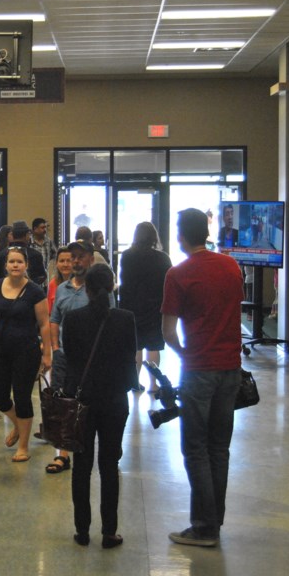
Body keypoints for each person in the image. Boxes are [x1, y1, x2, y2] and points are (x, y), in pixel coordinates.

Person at [162, 208, 244, 547]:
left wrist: (185, 354)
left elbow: (167, 332)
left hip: (199, 369)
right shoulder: (231, 266)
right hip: (231, 368)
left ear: (181, 236)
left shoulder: (178, 274)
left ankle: (204, 527)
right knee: (219, 448)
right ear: (206, 232)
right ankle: (214, 522)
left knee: (195, 448)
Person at [62, 263, 137, 549]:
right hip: (114, 399)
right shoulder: (125, 318)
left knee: (81, 466)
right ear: (112, 287)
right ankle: (109, 531)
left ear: (88, 289)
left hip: (82, 401)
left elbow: (70, 359)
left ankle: (82, 530)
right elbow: (130, 359)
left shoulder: (73, 319)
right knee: (109, 465)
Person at [46, 239, 114, 474]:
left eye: (80, 257)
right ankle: (62, 454)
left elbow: (110, 320)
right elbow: (54, 319)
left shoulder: (100, 290)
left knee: (92, 409)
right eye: (72, 257)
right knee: (63, 405)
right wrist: (55, 347)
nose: (75, 261)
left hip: (92, 360)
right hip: (65, 357)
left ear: (90, 260)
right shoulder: (62, 288)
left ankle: (107, 451)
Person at [0, 247, 52, 463]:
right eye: (11, 262)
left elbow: (44, 324)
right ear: (5, 265)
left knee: (22, 397)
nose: (15, 265)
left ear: (26, 265)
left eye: (19, 262)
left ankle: (23, 445)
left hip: (26, 351)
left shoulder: (34, 291)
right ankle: (18, 425)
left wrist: (47, 354)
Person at [119, 221, 172, 394]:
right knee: (154, 346)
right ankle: (153, 384)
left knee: (136, 346)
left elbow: (124, 283)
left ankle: (135, 382)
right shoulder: (162, 258)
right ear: (153, 237)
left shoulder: (127, 256)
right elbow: (168, 283)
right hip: (155, 307)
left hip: (132, 306)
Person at [0, 220, 47, 285]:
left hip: (6, 291)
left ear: (13, 235)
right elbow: (42, 276)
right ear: (26, 235)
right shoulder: (36, 255)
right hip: (29, 292)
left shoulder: (1, 254)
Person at [47, 247, 73, 313]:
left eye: (69, 261)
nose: (65, 264)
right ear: (56, 263)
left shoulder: (81, 283)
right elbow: (49, 313)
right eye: (62, 261)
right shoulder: (52, 284)